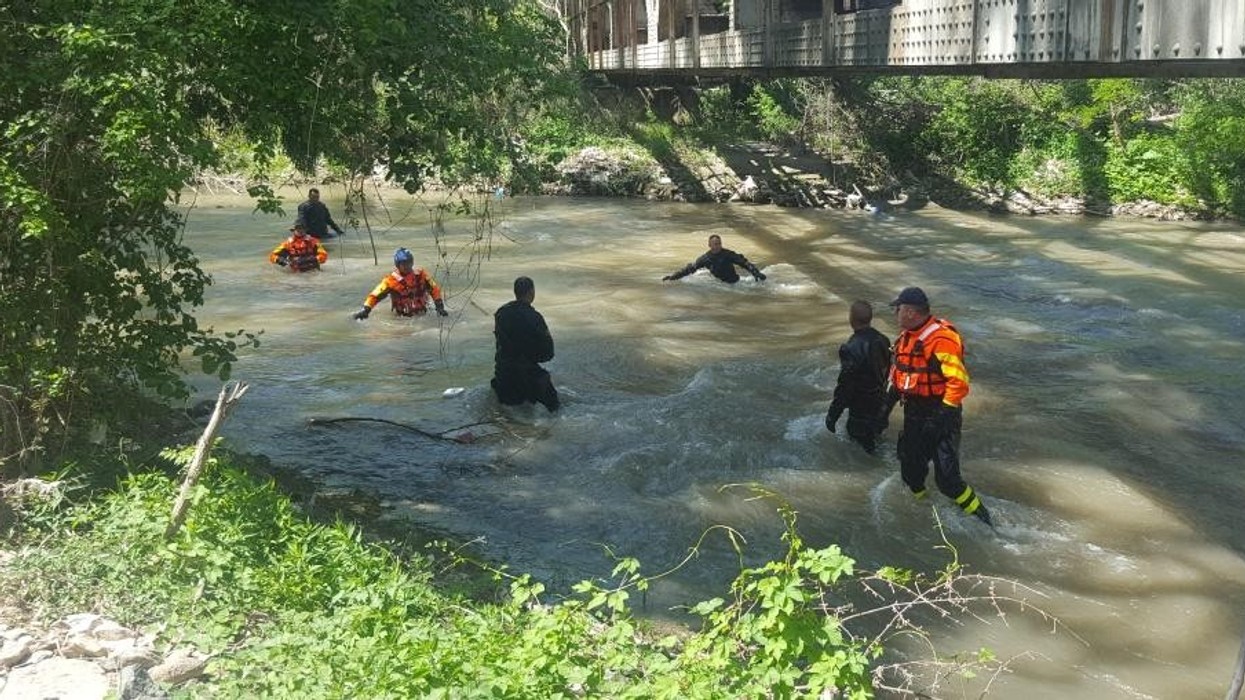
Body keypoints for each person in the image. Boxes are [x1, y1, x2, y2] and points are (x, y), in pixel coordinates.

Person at [879, 286, 993, 526]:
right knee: (910, 470)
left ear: (909, 312)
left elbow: (958, 382)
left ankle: (984, 520)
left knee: (948, 480)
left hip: (941, 413)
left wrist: (941, 417)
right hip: (914, 411)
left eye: (897, 309)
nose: (895, 314)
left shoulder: (941, 340)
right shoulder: (906, 337)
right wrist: (884, 410)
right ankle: (924, 511)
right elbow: (898, 376)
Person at [824, 300, 891, 454]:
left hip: (860, 411)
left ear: (851, 318)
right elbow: (888, 372)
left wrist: (833, 415)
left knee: (859, 452)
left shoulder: (850, 348)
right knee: (875, 446)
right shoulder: (883, 339)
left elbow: (845, 385)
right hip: (879, 404)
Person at [491, 276, 559, 412]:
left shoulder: (501, 313)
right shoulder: (535, 317)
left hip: (503, 374)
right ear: (531, 292)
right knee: (554, 407)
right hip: (526, 375)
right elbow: (548, 353)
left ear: (515, 292)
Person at [352, 248, 448, 319]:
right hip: (402, 318)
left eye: (410, 262)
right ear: (398, 264)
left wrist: (439, 307)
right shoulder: (390, 281)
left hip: (423, 314)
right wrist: (366, 310)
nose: (408, 266)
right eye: (404, 263)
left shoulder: (421, 275)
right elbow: (375, 295)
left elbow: (434, 289)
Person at [662, 234, 767, 284]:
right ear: (709, 245)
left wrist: (755, 272)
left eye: (719, 244)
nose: (717, 246)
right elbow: (689, 269)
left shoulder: (728, 254)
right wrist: (672, 277)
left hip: (736, 283)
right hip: (719, 284)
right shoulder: (705, 258)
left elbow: (744, 262)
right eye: (715, 244)